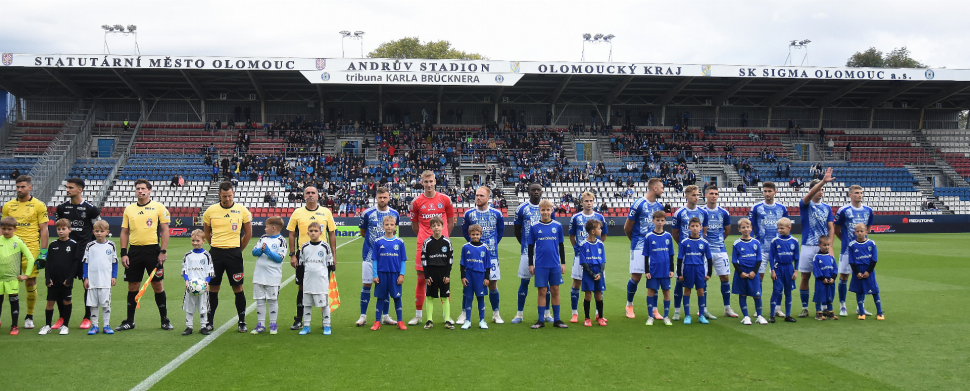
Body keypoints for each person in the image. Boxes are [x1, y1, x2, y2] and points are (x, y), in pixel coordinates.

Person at [117, 179, 172, 331]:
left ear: (149, 190)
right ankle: (129, 320)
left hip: (153, 251)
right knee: (133, 285)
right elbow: (124, 232)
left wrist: (163, 251)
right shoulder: (129, 209)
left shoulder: (158, 207)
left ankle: (164, 320)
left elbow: (165, 230)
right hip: (134, 251)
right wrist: (124, 253)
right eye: (138, 189)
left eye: (143, 188)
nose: (140, 191)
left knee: (157, 285)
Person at [202, 182, 253, 333]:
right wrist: (215, 246)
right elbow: (207, 233)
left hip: (234, 253)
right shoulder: (210, 211)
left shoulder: (242, 210)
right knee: (213, 288)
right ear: (219, 195)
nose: (227, 198)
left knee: (238, 287)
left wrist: (238, 249)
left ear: (234, 193)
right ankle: (209, 322)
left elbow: (248, 233)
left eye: (230, 195)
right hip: (216, 254)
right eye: (224, 196)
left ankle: (242, 321)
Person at [408, 171, 456, 326]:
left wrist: (443, 239)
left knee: (444, 278)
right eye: (426, 181)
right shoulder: (416, 202)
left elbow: (450, 222)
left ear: (435, 181)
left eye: (431, 181)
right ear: (421, 182)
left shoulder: (445, 200)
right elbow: (415, 226)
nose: (429, 184)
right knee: (421, 279)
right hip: (423, 244)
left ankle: (446, 315)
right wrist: (425, 237)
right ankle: (418, 315)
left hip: (442, 246)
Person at [2, 175, 49, 329]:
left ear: (30, 187)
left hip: (31, 248)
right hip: (10, 249)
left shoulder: (39, 205)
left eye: (22, 187)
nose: (19, 189)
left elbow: (44, 229)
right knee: (4, 283)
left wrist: (43, 250)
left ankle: (29, 316)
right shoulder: (8, 206)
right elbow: (3, 227)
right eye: (17, 187)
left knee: (30, 281)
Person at [288, 186, 337, 330]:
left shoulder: (326, 212)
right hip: (304, 256)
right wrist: (292, 255)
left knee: (323, 287)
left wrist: (334, 256)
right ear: (304, 196)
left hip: (322, 257)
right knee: (302, 288)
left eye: (313, 193)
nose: (310, 195)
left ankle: (325, 321)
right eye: (308, 193)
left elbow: (332, 234)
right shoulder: (297, 213)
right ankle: (299, 319)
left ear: (318, 196)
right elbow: (291, 234)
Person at [55, 177, 101, 329]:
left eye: (70, 187)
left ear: (80, 190)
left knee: (87, 285)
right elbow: (59, 230)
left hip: (84, 253)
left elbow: (98, 230)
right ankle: (62, 317)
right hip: (66, 253)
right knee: (62, 285)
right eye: (67, 187)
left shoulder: (91, 209)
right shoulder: (61, 209)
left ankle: (87, 317)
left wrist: (92, 248)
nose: (67, 190)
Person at [461, 186, 504, 324]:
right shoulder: (469, 214)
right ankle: (463, 314)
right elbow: (465, 231)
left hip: (491, 255)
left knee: (492, 284)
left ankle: (496, 313)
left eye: (481, 196)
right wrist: (473, 247)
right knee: (467, 283)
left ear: (488, 198)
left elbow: (501, 231)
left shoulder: (497, 214)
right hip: (472, 256)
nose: (478, 198)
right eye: (477, 195)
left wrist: (491, 245)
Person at [358, 187, 400, 326]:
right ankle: (363, 316)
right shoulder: (367, 213)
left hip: (387, 258)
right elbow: (363, 233)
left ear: (389, 198)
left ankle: (386, 316)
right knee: (367, 285)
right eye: (380, 197)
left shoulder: (394, 213)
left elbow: (394, 233)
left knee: (386, 286)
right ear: (376, 197)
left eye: (385, 197)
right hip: (369, 256)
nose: (382, 200)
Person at [797, 168, 836, 318]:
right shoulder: (805, 204)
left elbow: (830, 227)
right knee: (805, 277)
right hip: (808, 245)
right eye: (819, 189)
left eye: (823, 189)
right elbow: (807, 197)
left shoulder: (827, 208)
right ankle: (805, 307)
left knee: (826, 277)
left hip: (823, 248)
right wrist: (822, 181)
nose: (821, 192)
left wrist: (830, 246)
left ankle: (826, 307)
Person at [512, 183, 554, 324]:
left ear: (541, 192)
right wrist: (526, 245)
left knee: (545, 285)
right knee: (524, 282)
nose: (536, 192)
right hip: (527, 252)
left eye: (538, 190)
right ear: (529, 191)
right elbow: (517, 231)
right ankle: (519, 314)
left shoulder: (547, 208)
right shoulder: (522, 208)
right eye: (533, 190)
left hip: (545, 254)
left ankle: (547, 313)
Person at [624, 178, 665, 318]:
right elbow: (627, 227)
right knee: (636, 277)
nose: (663, 190)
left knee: (655, 276)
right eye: (661, 187)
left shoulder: (659, 207)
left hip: (654, 247)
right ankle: (629, 304)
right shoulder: (639, 204)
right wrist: (635, 242)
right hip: (639, 245)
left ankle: (654, 309)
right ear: (654, 188)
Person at [567, 191, 608, 323]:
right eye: (586, 201)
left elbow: (604, 235)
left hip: (595, 258)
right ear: (581, 202)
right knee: (577, 283)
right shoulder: (576, 218)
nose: (589, 203)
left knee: (598, 283)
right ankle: (574, 313)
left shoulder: (600, 217)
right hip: (581, 256)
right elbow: (571, 235)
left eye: (591, 201)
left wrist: (596, 249)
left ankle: (598, 313)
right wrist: (576, 248)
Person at [834, 185, 874, 317]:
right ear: (850, 195)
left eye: (861, 193)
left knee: (862, 276)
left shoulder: (868, 210)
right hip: (847, 250)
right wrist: (845, 241)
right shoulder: (844, 210)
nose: (859, 195)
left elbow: (867, 228)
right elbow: (836, 229)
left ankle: (860, 307)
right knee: (844, 277)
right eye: (856, 193)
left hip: (863, 252)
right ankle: (842, 306)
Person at [670, 185, 709, 321]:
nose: (696, 197)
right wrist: (684, 246)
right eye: (693, 195)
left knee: (702, 284)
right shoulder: (679, 213)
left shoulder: (703, 213)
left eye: (698, 195)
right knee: (679, 282)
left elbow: (704, 231)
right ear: (686, 196)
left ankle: (702, 311)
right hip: (685, 255)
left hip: (698, 255)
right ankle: (677, 311)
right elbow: (675, 233)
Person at [527, 199, 567, 329]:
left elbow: (561, 246)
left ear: (552, 210)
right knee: (542, 291)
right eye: (543, 210)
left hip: (555, 264)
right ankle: (540, 320)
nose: (545, 212)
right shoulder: (534, 227)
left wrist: (563, 263)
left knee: (555, 290)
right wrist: (531, 264)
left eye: (548, 210)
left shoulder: (557, 226)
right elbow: (530, 247)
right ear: (539, 211)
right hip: (541, 265)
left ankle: (557, 319)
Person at [38, 219, 80, 335]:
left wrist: (71, 278)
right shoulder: (53, 245)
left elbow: (75, 263)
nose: (61, 231)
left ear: (69, 230)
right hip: (53, 279)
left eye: (63, 229)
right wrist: (47, 278)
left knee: (67, 301)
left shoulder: (73, 244)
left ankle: (65, 325)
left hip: (66, 279)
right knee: (50, 302)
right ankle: (47, 325)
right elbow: (48, 263)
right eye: (59, 229)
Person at [703, 185, 737, 318]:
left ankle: (727, 308)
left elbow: (727, 230)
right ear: (706, 195)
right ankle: (703, 308)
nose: (714, 196)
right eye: (711, 193)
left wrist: (720, 241)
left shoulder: (724, 213)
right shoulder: (701, 211)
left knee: (725, 277)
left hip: (720, 250)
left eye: (716, 193)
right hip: (705, 251)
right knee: (703, 279)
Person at [249, 217, 286, 335]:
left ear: (273, 228)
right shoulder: (263, 238)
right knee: (259, 300)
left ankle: (273, 325)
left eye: (267, 227)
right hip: (259, 275)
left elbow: (279, 259)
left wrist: (267, 251)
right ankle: (260, 325)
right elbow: (254, 252)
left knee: (272, 300)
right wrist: (261, 249)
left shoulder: (281, 241)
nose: (265, 229)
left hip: (273, 276)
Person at [297, 222, 336, 335]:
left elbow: (329, 262)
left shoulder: (325, 246)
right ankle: (307, 326)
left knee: (324, 304)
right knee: (307, 304)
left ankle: (327, 325)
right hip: (308, 280)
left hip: (321, 280)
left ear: (320, 232)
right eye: (311, 231)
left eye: (315, 231)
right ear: (307, 233)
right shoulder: (304, 247)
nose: (313, 233)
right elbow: (302, 263)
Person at [370, 216, 408, 331]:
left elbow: (403, 260)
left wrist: (402, 274)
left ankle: (400, 321)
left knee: (397, 298)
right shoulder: (378, 242)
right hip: (381, 274)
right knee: (380, 297)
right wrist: (374, 274)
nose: (389, 227)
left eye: (391, 225)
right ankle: (377, 321)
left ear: (395, 226)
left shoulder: (400, 242)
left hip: (395, 275)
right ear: (383, 226)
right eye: (387, 225)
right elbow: (375, 259)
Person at [0, 217, 36, 335]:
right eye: (4, 228)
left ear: (15, 229)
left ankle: (14, 326)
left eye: (9, 229)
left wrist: (26, 275)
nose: (6, 231)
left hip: (12, 278)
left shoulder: (18, 241)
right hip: (0, 279)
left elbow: (30, 258)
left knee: (13, 301)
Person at [748, 182, 788, 286]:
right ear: (762, 192)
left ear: (775, 192)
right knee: (759, 276)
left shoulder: (782, 208)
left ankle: (776, 302)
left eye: (770, 191)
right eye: (765, 191)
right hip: (761, 247)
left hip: (777, 248)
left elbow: (787, 228)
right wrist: (751, 243)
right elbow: (750, 227)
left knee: (777, 276)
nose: (767, 193)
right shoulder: (756, 207)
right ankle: (759, 299)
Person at [676, 217, 713, 325]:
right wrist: (679, 274)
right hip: (688, 269)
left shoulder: (704, 243)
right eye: (693, 226)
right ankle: (687, 315)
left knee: (701, 291)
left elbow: (709, 259)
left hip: (700, 269)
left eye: (697, 226)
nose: (695, 228)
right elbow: (679, 259)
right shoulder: (684, 242)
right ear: (689, 228)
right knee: (687, 290)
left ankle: (701, 315)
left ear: (701, 227)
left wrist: (709, 273)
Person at [83, 220, 118, 335]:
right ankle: (95, 325)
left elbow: (114, 262)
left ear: (107, 232)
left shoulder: (111, 245)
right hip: (92, 280)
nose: (99, 233)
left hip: (105, 280)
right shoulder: (90, 245)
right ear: (93, 232)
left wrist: (114, 276)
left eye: (102, 231)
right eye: (97, 231)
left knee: (105, 303)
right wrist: (85, 278)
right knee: (93, 304)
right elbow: (85, 262)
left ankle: (106, 325)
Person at [420, 216, 455, 330]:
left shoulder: (447, 242)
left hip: (443, 272)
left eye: (438, 225)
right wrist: (427, 275)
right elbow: (424, 259)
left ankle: (447, 320)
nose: (436, 228)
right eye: (434, 226)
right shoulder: (427, 242)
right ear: (430, 228)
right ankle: (429, 320)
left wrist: (447, 274)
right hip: (431, 273)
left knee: (445, 297)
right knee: (429, 296)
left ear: (442, 226)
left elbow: (450, 259)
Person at [732, 218, 767, 325]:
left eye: (748, 227)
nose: (746, 229)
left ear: (751, 228)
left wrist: (754, 272)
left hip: (753, 273)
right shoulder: (737, 243)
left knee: (757, 295)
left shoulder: (756, 242)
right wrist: (741, 273)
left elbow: (759, 259)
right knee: (742, 294)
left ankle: (759, 315)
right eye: (743, 227)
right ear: (739, 229)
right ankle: (746, 316)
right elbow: (734, 260)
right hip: (741, 273)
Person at [642, 211, 674, 326]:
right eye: (657, 220)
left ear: (665, 221)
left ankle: (666, 316)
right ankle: (650, 316)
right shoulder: (649, 237)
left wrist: (672, 270)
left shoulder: (668, 236)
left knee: (666, 292)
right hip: (653, 270)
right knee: (651, 291)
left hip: (665, 270)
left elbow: (671, 254)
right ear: (653, 221)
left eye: (662, 220)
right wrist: (646, 271)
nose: (660, 222)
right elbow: (646, 255)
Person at [847, 223, 884, 321]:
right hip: (858, 271)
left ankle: (879, 312)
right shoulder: (852, 245)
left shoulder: (871, 243)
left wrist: (868, 271)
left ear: (866, 232)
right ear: (855, 233)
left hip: (869, 270)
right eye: (857, 231)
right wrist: (857, 273)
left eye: (861, 231)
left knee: (874, 291)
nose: (859, 233)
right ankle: (861, 312)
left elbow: (874, 259)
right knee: (859, 291)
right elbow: (851, 261)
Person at [181, 229, 213, 336]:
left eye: (197, 241)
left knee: (203, 306)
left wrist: (207, 282)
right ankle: (189, 326)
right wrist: (186, 281)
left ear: (203, 241)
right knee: (189, 306)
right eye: (193, 240)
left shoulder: (206, 255)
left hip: (202, 287)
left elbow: (210, 270)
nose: (195, 243)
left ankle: (203, 326)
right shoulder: (188, 255)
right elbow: (184, 269)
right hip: (190, 286)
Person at [459, 224, 492, 330]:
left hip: (480, 276)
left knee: (480, 298)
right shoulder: (465, 247)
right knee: (468, 298)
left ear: (481, 235)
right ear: (469, 235)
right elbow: (462, 264)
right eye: (473, 234)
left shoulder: (485, 248)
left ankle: (482, 320)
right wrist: (462, 277)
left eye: (477, 234)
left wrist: (487, 278)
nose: (475, 236)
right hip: (469, 275)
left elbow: (487, 265)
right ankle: (467, 320)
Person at [768, 218, 798, 323]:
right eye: (778, 228)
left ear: (789, 228)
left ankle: (788, 315)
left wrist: (796, 271)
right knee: (777, 290)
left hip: (789, 268)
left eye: (782, 228)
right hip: (778, 268)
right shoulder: (775, 241)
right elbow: (771, 257)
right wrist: (772, 270)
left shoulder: (794, 241)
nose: (780, 230)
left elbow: (796, 257)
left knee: (788, 292)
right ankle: (772, 315)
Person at [577, 219, 607, 327]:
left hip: (598, 271)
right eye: (599, 228)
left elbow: (603, 260)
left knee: (599, 295)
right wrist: (592, 274)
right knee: (588, 294)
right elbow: (583, 262)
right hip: (588, 272)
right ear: (593, 231)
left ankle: (600, 317)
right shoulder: (583, 244)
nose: (601, 230)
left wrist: (600, 272)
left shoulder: (600, 244)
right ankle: (587, 318)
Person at [811, 237, 838, 321]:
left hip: (830, 281)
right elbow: (816, 269)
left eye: (828, 245)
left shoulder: (831, 257)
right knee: (819, 295)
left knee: (830, 295)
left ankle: (830, 312)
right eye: (824, 245)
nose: (826, 247)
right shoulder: (817, 257)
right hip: (821, 281)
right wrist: (822, 278)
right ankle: (819, 313)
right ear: (819, 245)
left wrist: (833, 278)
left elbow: (835, 268)